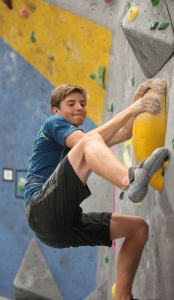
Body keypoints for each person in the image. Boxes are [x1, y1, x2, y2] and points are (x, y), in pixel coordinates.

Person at [24, 78, 169, 300]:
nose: (79, 107)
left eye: (82, 103)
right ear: (56, 110)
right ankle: (129, 180)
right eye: (71, 103)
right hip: (40, 210)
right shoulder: (53, 124)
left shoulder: (84, 143)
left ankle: (122, 297)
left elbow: (124, 133)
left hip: (60, 229)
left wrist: (137, 98)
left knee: (138, 229)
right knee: (90, 142)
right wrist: (133, 108)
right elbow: (90, 140)